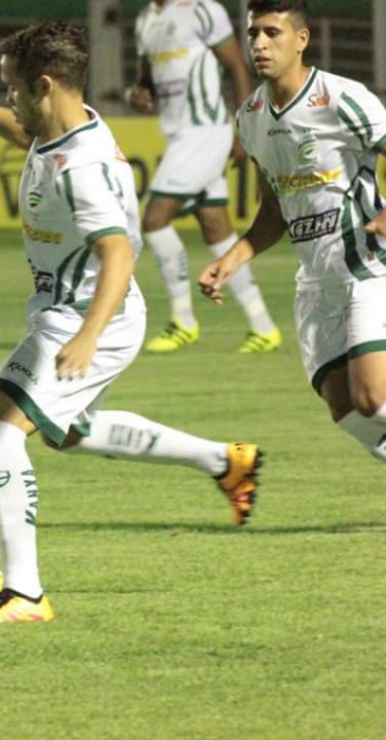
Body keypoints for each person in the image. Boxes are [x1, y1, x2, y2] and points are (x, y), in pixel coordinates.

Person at [0, 22, 262, 624]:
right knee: (65, 431)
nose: (9, 99)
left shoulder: (83, 168)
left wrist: (86, 335)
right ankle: (224, 461)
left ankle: (24, 592)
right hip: (75, 313)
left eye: (12, 88)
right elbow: (26, 132)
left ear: (44, 85)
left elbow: (117, 251)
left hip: (87, 317)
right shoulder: (68, 127)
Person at [201, 0, 386, 463]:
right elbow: (273, 210)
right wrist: (232, 259)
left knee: (372, 398)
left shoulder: (342, 98)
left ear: (301, 39)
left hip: (365, 268)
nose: (259, 44)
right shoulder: (251, 117)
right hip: (315, 283)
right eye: (252, 34)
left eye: (272, 33)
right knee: (344, 408)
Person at [128, 0, 281, 354]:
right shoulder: (146, 20)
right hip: (179, 135)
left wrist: (244, 127)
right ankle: (263, 326)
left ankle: (184, 320)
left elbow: (237, 67)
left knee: (155, 219)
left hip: (206, 131)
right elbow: (146, 81)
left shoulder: (201, 8)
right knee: (216, 227)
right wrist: (139, 94)